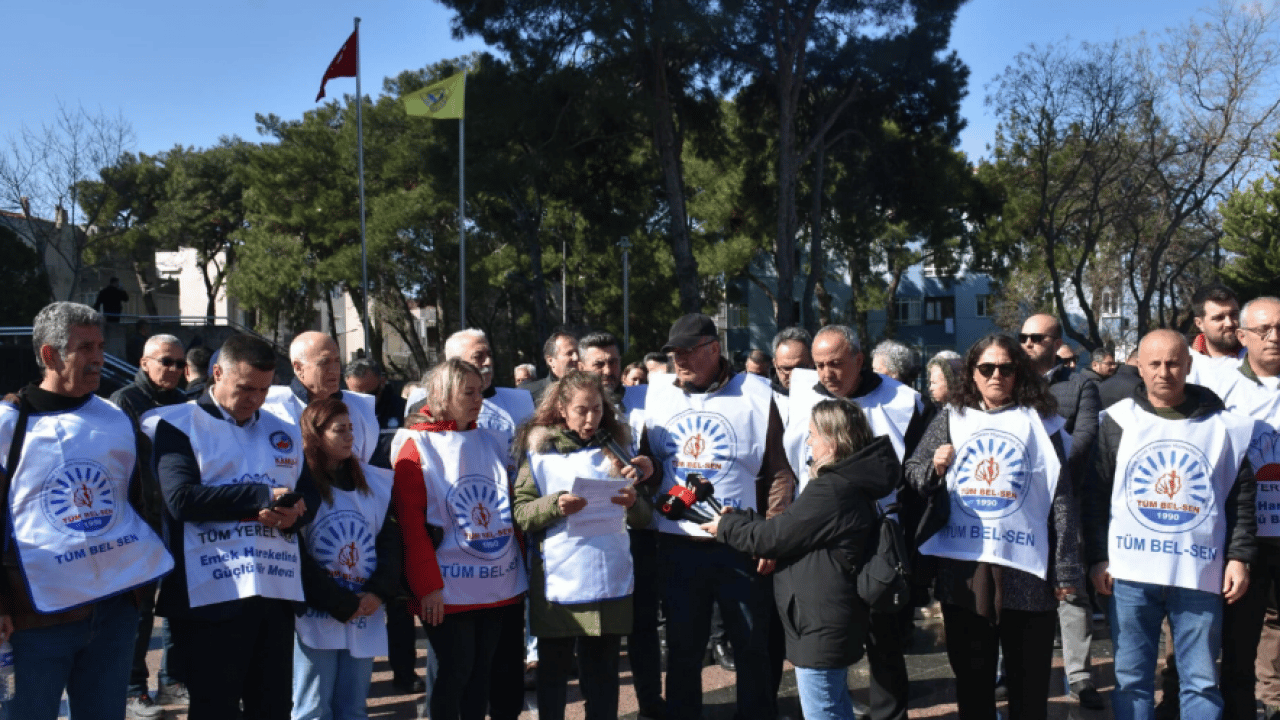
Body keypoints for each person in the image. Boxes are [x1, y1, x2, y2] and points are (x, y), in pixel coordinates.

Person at [0, 302, 173, 720]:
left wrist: (135, 595)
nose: (98, 357)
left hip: (113, 612)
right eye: (85, 347)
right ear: (50, 355)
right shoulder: (8, 424)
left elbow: (137, 504)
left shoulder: (114, 418)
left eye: (100, 346)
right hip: (36, 619)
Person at [1082, 329, 1256, 720]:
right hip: (1130, 574)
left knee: (1202, 681)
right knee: (1131, 679)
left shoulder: (1225, 427)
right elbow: (1094, 495)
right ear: (1139, 367)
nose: (1164, 372)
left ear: (1189, 365)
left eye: (1174, 363)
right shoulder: (1116, 421)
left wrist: (1239, 557)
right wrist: (1096, 557)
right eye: (1155, 363)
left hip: (1199, 572)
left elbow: (1241, 498)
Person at [908, 333, 1080, 720]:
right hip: (966, 569)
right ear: (972, 373)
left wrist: (1066, 568)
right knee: (973, 680)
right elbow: (914, 473)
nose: (996, 375)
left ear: (1020, 372)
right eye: (986, 368)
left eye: (1006, 368)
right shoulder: (952, 417)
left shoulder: (1043, 423)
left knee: (1029, 683)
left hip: (1027, 570)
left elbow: (1062, 497)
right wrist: (935, 467)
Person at [146, 333, 314, 720]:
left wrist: (294, 512)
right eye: (245, 388)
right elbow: (180, 500)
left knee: (273, 707)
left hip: (273, 591)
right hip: (211, 596)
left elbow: (308, 493)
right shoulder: (179, 424)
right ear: (218, 373)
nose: (255, 398)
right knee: (215, 707)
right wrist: (260, 497)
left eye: (263, 389)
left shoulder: (283, 428)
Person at [640, 313, 794, 720]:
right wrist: (645, 470)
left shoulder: (757, 394)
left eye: (688, 350)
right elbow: (650, 464)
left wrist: (771, 534)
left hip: (740, 544)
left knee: (751, 646)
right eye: (674, 352)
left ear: (713, 349)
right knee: (683, 648)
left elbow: (779, 471)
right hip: (677, 543)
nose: (679, 359)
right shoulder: (658, 395)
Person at [702, 399, 897, 720]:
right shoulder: (847, 483)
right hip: (829, 612)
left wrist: (726, 527)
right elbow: (794, 529)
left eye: (813, 435)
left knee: (823, 710)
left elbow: (773, 538)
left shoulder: (832, 489)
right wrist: (741, 519)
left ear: (832, 441)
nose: (808, 442)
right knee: (834, 704)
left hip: (820, 618)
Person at [782, 325, 925, 720]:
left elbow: (917, 476)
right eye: (819, 365)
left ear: (860, 360)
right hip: (819, 542)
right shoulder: (800, 397)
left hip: (877, 540)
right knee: (826, 634)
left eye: (836, 363)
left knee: (884, 640)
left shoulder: (904, 401)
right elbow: (784, 467)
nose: (827, 373)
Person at [512, 371, 654, 720]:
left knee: (603, 677)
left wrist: (632, 502)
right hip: (559, 582)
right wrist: (554, 505)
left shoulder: (618, 449)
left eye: (597, 409)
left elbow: (643, 518)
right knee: (553, 676)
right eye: (581, 410)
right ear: (561, 409)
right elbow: (521, 513)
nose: (591, 419)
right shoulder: (539, 452)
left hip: (609, 580)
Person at [391, 358, 528, 720]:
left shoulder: (491, 440)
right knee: (454, 675)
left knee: (481, 677)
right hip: (447, 587)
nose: (478, 399)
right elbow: (410, 525)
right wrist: (427, 587)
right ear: (441, 394)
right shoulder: (415, 445)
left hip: (498, 581)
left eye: (480, 391)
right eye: (468, 392)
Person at [293, 397, 402, 720]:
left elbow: (389, 541)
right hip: (317, 611)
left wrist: (378, 591)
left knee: (353, 708)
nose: (350, 437)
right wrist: (334, 600)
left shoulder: (373, 482)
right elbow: (295, 552)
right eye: (339, 430)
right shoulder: (300, 483)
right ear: (315, 435)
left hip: (364, 607)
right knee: (313, 707)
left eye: (351, 429)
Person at [1019, 313, 1102, 708]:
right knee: (1015, 585)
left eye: (1037, 337)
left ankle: (1080, 677)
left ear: (1056, 343)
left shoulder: (1081, 384)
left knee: (1071, 589)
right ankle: (1009, 671)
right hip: (1019, 504)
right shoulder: (1010, 381)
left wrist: (1049, 471)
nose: (1028, 343)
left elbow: (1084, 438)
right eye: (1023, 337)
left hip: (1066, 498)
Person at [110, 333, 190, 718]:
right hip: (139, 520)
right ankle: (132, 688)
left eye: (180, 363)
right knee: (139, 611)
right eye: (165, 361)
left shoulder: (184, 403)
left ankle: (172, 680)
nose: (173, 369)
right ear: (144, 363)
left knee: (178, 603)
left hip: (178, 518)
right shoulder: (124, 401)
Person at [1210, 297, 1280, 720]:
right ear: (1242, 336)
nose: (1274, 337)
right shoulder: (1220, 388)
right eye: (1264, 329)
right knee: (1239, 641)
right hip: (1244, 537)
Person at [264, 331, 378, 464]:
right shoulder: (270, 406)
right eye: (324, 362)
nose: (335, 369)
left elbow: (372, 466)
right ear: (298, 367)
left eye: (337, 361)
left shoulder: (361, 407)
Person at [343, 358, 406, 470]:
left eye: (370, 394)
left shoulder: (402, 409)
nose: (364, 400)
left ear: (382, 381)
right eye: (356, 395)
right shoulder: (341, 411)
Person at [522, 332, 580, 405]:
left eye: (578, 353)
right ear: (550, 360)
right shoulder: (531, 396)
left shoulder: (590, 390)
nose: (576, 358)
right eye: (569, 353)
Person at [771, 327, 814, 426]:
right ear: (775, 364)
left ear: (812, 363)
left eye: (800, 367)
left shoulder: (828, 399)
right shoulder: (764, 401)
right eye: (786, 368)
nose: (793, 375)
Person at [1192, 283, 1244, 359]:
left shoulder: (1256, 353)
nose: (1229, 323)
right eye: (1219, 318)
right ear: (1199, 323)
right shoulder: (1185, 363)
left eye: (1234, 314)